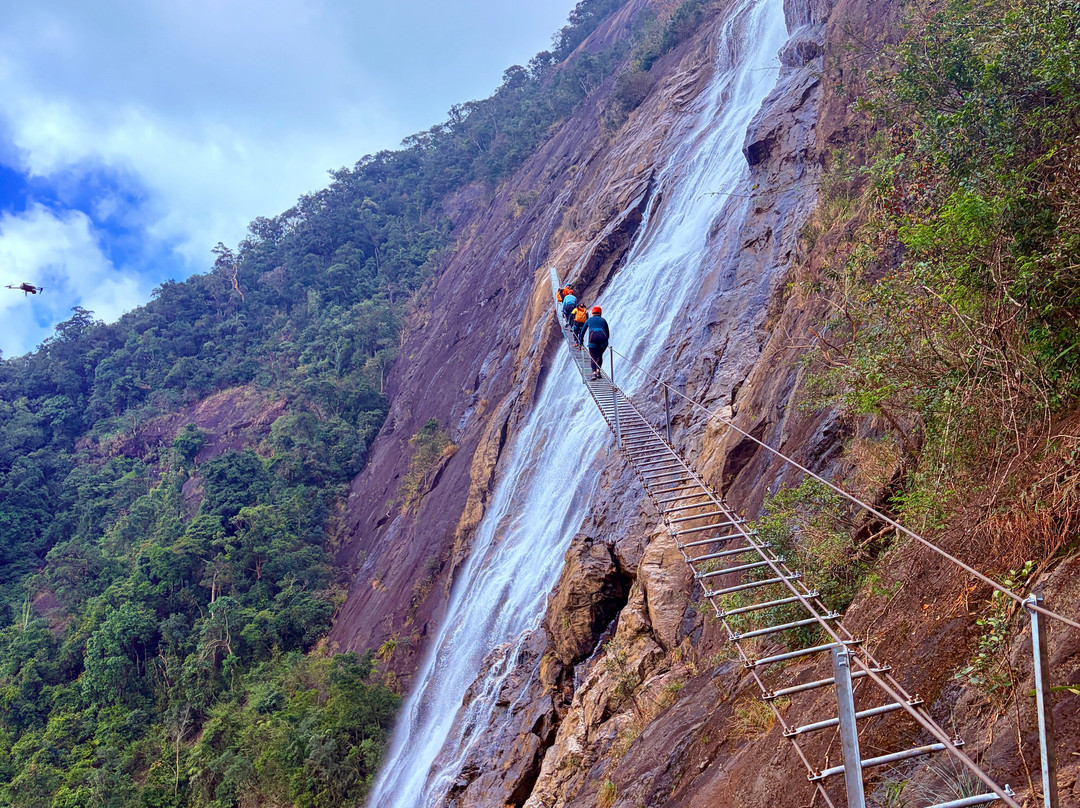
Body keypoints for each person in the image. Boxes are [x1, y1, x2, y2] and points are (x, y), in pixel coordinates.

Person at [583, 306, 609, 380]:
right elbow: (607, 332)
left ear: (592, 313)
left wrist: (580, 341)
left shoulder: (589, 320)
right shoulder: (603, 320)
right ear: (600, 313)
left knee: (593, 357)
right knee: (599, 355)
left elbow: (583, 332)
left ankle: (594, 373)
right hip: (603, 339)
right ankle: (598, 372)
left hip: (593, 339)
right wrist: (605, 342)